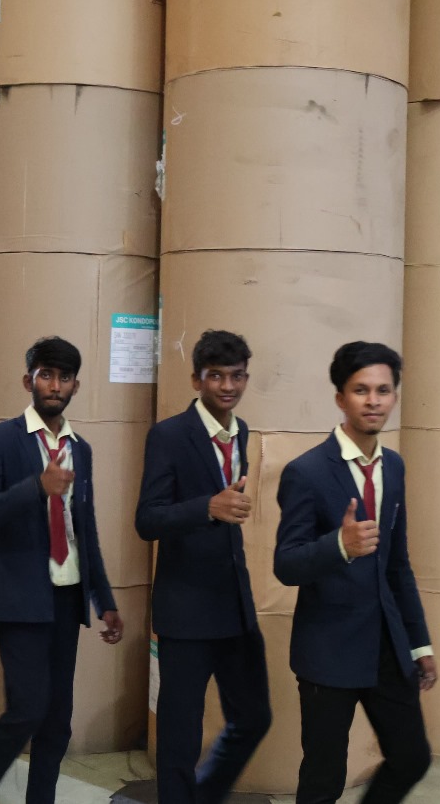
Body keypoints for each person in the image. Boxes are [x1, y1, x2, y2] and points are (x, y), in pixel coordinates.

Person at [0, 336, 124, 804]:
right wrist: (36, 487)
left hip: (67, 597)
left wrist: (104, 600)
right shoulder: (3, 439)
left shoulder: (81, 449)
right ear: (29, 380)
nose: (55, 385)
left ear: (75, 386)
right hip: (19, 597)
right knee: (26, 709)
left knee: (56, 721)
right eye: (46, 375)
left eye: (64, 377)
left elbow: (85, 529)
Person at [273, 341, 435, 804]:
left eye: (383, 390)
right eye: (361, 390)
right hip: (327, 650)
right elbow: (286, 564)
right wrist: (339, 546)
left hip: (386, 646)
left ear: (395, 397)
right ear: (340, 398)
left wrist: (419, 643)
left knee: (412, 757)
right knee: (323, 779)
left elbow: (398, 565)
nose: (373, 401)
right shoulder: (306, 472)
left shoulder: (394, 468)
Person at [136, 330, 271, 804]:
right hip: (186, 610)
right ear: (197, 379)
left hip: (234, 605)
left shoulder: (242, 432)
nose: (227, 386)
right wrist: (206, 507)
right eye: (216, 376)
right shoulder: (169, 435)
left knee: (254, 717)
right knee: (179, 738)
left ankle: (204, 796)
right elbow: (147, 520)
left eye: (236, 376)